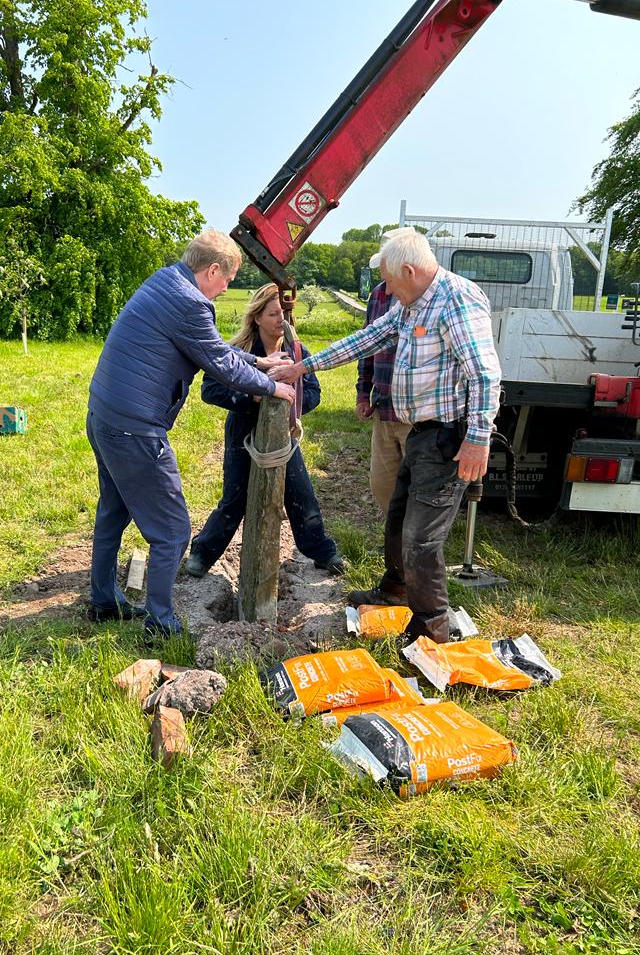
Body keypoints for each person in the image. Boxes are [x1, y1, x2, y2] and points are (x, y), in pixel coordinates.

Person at [269, 228, 501, 645]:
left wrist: (478, 438)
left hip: (449, 438)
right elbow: (368, 338)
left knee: (421, 537)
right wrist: (303, 367)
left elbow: (485, 374)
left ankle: (432, 627)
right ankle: (394, 591)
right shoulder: (410, 306)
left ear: (409, 270)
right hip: (422, 434)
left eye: (391, 282)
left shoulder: (456, 300)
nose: (387, 290)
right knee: (397, 520)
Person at [86, 229, 294, 636]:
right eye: (227, 279)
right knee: (173, 530)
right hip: (135, 431)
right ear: (212, 269)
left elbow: (210, 347)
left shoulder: (165, 282)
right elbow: (219, 363)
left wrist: (259, 361)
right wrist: (273, 386)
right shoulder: (191, 303)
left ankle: (104, 601)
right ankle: (161, 623)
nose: (227, 286)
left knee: (114, 510)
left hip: (105, 416)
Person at [186, 283, 344, 578]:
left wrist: (291, 407)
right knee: (235, 496)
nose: (280, 320)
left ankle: (321, 551)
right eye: (273, 314)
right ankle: (202, 553)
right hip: (243, 431)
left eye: (284, 313)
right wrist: (254, 398)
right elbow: (210, 390)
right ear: (257, 317)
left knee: (300, 493)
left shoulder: (297, 351)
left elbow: (314, 393)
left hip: (283, 435)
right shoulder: (239, 352)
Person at [357, 231, 412, 520]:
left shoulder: (431, 299)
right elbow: (366, 344)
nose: (386, 284)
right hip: (384, 405)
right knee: (382, 484)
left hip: (417, 414)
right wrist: (363, 393)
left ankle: (410, 547)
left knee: (416, 487)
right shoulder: (378, 294)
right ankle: (396, 541)